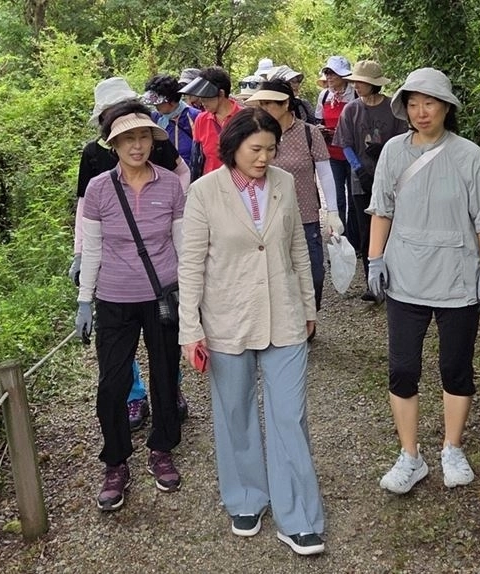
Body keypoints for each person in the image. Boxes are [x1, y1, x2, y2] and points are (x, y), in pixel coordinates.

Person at [178, 107, 326, 556]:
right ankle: (246, 496)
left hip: (283, 313)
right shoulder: (205, 192)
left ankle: (297, 514)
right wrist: (190, 328)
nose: (264, 158)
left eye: (271, 149)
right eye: (255, 149)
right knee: (235, 412)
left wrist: (307, 304)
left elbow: (298, 245)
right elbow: (191, 264)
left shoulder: (283, 183)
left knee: (288, 416)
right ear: (233, 147)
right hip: (227, 318)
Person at [365, 67, 480, 495]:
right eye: (413, 103)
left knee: (455, 369)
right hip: (406, 277)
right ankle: (411, 455)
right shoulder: (392, 151)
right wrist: (374, 260)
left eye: (429, 103)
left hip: (458, 279)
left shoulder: (469, 155)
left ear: (446, 106)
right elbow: (382, 208)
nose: (421, 112)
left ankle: (452, 448)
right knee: (403, 370)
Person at [74, 102, 186, 509]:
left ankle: (162, 449)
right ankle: (116, 460)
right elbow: (92, 250)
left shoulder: (171, 186)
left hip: (162, 296)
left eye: (142, 137)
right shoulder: (99, 189)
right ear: (114, 144)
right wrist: (85, 300)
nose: (136, 146)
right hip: (114, 298)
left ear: (152, 141)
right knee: (112, 383)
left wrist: (192, 295)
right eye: (127, 139)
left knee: (164, 374)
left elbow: (182, 244)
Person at [245, 79, 343, 313]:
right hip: (266, 217)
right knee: (276, 274)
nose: (264, 108)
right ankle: (290, 325)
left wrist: (333, 211)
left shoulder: (309, 133)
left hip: (305, 216)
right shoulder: (255, 135)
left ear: (286, 103)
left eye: (270, 103)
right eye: (261, 104)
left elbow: (325, 173)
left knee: (313, 275)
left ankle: (309, 313)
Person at [333, 60, 408, 301]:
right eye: (354, 81)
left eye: (361, 82)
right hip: (361, 181)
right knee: (366, 231)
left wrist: (385, 148)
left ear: (373, 84)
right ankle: (372, 283)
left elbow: (405, 141)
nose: (356, 85)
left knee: (394, 227)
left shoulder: (393, 109)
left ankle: (396, 280)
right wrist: (358, 168)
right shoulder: (351, 110)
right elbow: (344, 143)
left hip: (393, 179)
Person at [315, 55, 359, 250]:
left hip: (353, 155)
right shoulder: (324, 96)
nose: (329, 76)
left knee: (355, 197)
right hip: (331, 153)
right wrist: (322, 130)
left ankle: (356, 238)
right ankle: (340, 239)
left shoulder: (355, 96)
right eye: (327, 72)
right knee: (337, 198)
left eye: (333, 73)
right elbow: (318, 121)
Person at [179, 66, 243, 179]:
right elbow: (196, 160)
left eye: (206, 97)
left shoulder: (246, 117)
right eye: (201, 97)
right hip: (211, 185)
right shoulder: (201, 119)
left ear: (221, 94)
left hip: (241, 184)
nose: (202, 101)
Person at [142, 73, 201, 166]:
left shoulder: (195, 116)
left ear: (172, 101)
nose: (155, 106)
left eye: (159, 103)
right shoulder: (154, 119)